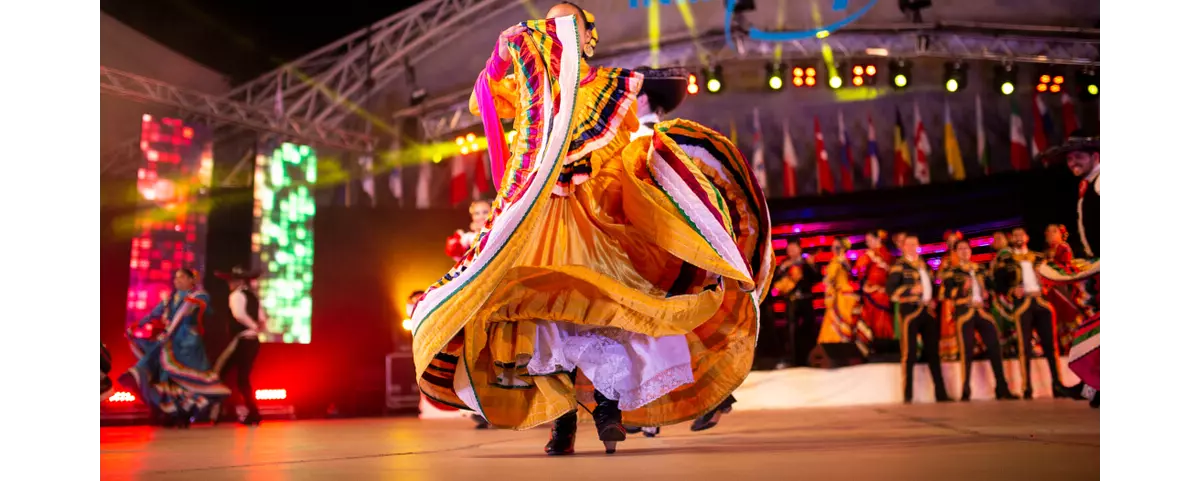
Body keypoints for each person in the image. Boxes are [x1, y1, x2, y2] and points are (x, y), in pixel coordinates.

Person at [409, 2, 772, 456]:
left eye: (570, 25)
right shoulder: (531, 87)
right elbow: (479, 95)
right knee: (544, 321)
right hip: (537, 224)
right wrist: (502, 54)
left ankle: (607, 411)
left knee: (608, 311)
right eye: (550, 25)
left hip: (594, 221)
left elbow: (621, 147)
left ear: (588, 37)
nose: (558, 32)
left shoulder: (615, 85)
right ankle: (562, 425)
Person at [119, 268, 230, 428]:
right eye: (176, 278)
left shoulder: (198, 296)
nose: (177, 281)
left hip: (188, 346)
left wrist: (193, 308)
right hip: (169, 344)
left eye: (182, 277)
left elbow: (203, 309)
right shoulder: (170, 300)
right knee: (165, 378)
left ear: (192, 280)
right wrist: (137, 325)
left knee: (186, 381)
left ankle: (183, 414)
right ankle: (171, 413)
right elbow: (153, 314)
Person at [1038, 130, 1100, 408]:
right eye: (1070, 159)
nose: (1072, 163)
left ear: (1095, 157)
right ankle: (1095, 388)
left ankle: (1095, 388)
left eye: (1078, 157)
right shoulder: (1090, 183)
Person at [992, 228, 1075, 400]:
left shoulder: (1038, 257)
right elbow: (998, 283)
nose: (1018, 238)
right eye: (1015, 236)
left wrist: (1045, 284)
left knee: (1051, 346)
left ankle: (1057, 384)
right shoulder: (1006, 259)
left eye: (1021, 235)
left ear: (1027, 237)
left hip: (1041, 301)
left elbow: (1053, 276)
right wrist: (1011, 290)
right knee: (1024, 347)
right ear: (1011, 239)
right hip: (1023, 304)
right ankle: (1027, 387)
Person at [940, 241, 1017, 401]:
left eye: (966, 249)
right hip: (965, 312)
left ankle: (1001, 388)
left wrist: (987, 292)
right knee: (966, 350)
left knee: (995, 346)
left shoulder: (980, 268)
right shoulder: (952, 271)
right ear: (955, 252)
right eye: (960, 249)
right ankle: (966, 390)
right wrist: (962, 289)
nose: (964, 252)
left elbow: (993, 286)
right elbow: (947, 292)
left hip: (983, 311)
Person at [886, 235, 951, 403]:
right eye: (909, 244)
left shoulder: (925, 265)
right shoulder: (899, 266)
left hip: (928, 312)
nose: (912, 247)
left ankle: (941, 394)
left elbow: (934, 285)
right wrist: (910, 290)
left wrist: (935, 299)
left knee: (933, 353)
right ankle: (908, 395)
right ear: (903, 247)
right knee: (909, 354)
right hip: (910, 312)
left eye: (915, 244)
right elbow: (890, 289)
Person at [213, 266, 267, 426]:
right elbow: (263, 318)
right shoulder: (252, 296)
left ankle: (247, 412)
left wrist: (252, 327)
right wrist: (257, 328)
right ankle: (231, 410)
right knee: (234, 376)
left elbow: (239, 315)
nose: (231, 283)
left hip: (244, 340)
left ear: (240, 281)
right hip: (251, 341)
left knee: (228, 375)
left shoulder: (237, 295)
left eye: (233, 280)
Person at [773, 240, 822, 367]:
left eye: (794, 248)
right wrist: (783, 268)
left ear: (800, 249)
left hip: (806, 300)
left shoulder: (806, 262)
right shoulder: (785, 264)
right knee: (791, 330)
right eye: (789, 249)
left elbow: (817, 278)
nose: (791, 251)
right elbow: (775, 280)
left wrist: (812, 266)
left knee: (808, 328)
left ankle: (809, 358)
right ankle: (794, 360)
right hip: (792, 301)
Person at [819, 238, 872, 354]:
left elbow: (830, 278)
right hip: (845, 294)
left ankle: (839, 350)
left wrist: (826, 280)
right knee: (844, 322)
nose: (833, 248)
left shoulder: (837, 261)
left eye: (836, 246)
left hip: (841, 296)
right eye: (833, 246)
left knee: (839, 322)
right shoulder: (843, 260)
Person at [854, 230, 894, 340]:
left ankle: (882, 341)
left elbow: (891, 273)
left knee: (880, 319)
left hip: (881, 293)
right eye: (867, 241)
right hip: (872, 292)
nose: (868, 244)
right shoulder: (870, 254)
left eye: (870, 240)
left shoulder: (885, 254)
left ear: (878, 239)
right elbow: (859, 271)